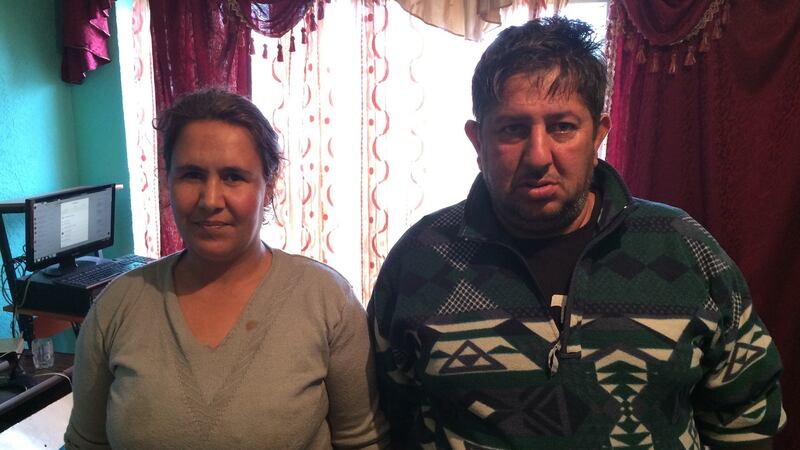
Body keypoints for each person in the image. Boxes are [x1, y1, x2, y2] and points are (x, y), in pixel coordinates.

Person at [368, 17, 785, 449]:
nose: (538, 155)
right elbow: (389, 421)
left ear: (598, 134)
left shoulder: (684, 247)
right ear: (478, 141)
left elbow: (744, 419)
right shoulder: (419, 259)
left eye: (562, 126)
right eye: (512, 129)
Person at [65, 88, 388, 449]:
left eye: (234, 176)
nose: (211, 200)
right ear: (167, 180)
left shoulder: (327, 301)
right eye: (191, 175)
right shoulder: (117, 307)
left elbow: (362, 442)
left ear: (268, 185)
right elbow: (85, 444)